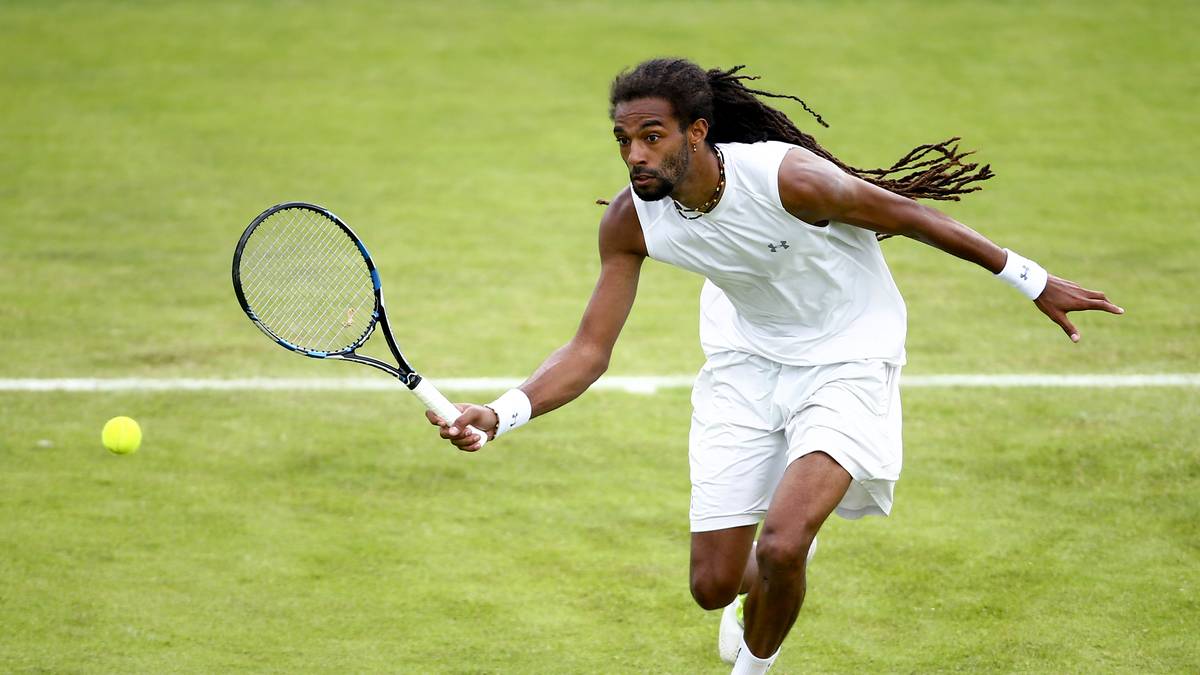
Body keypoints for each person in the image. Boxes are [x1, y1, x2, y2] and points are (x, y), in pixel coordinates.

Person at [427, 58, 1123, 674]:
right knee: (712, 585)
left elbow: (909, 215)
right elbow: (588, 350)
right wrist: (502, 412)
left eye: (651, 136)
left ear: (696, 132)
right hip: (745, 368)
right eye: (623, 140)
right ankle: (761, 591)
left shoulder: (787, 178)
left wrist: (1034, 281)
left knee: (784, 542)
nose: (634, 155)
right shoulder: (631, 221)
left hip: (848, 357)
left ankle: (758, 660)